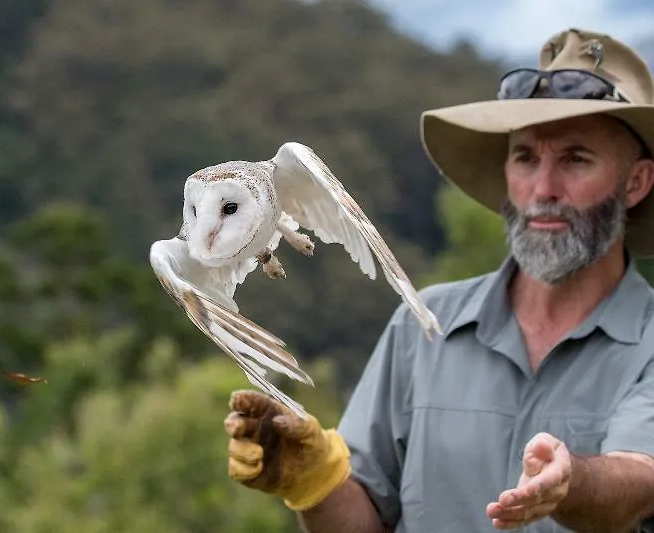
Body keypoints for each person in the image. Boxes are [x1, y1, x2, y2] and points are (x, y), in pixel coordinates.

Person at [223, 27, 654, 533]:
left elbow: (638, 482)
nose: (543, 188)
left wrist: (572, 483)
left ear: (635, 183)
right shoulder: (424, 325)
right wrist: (316, 483)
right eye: (525, 158)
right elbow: (364, 522)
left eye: (576, 159)